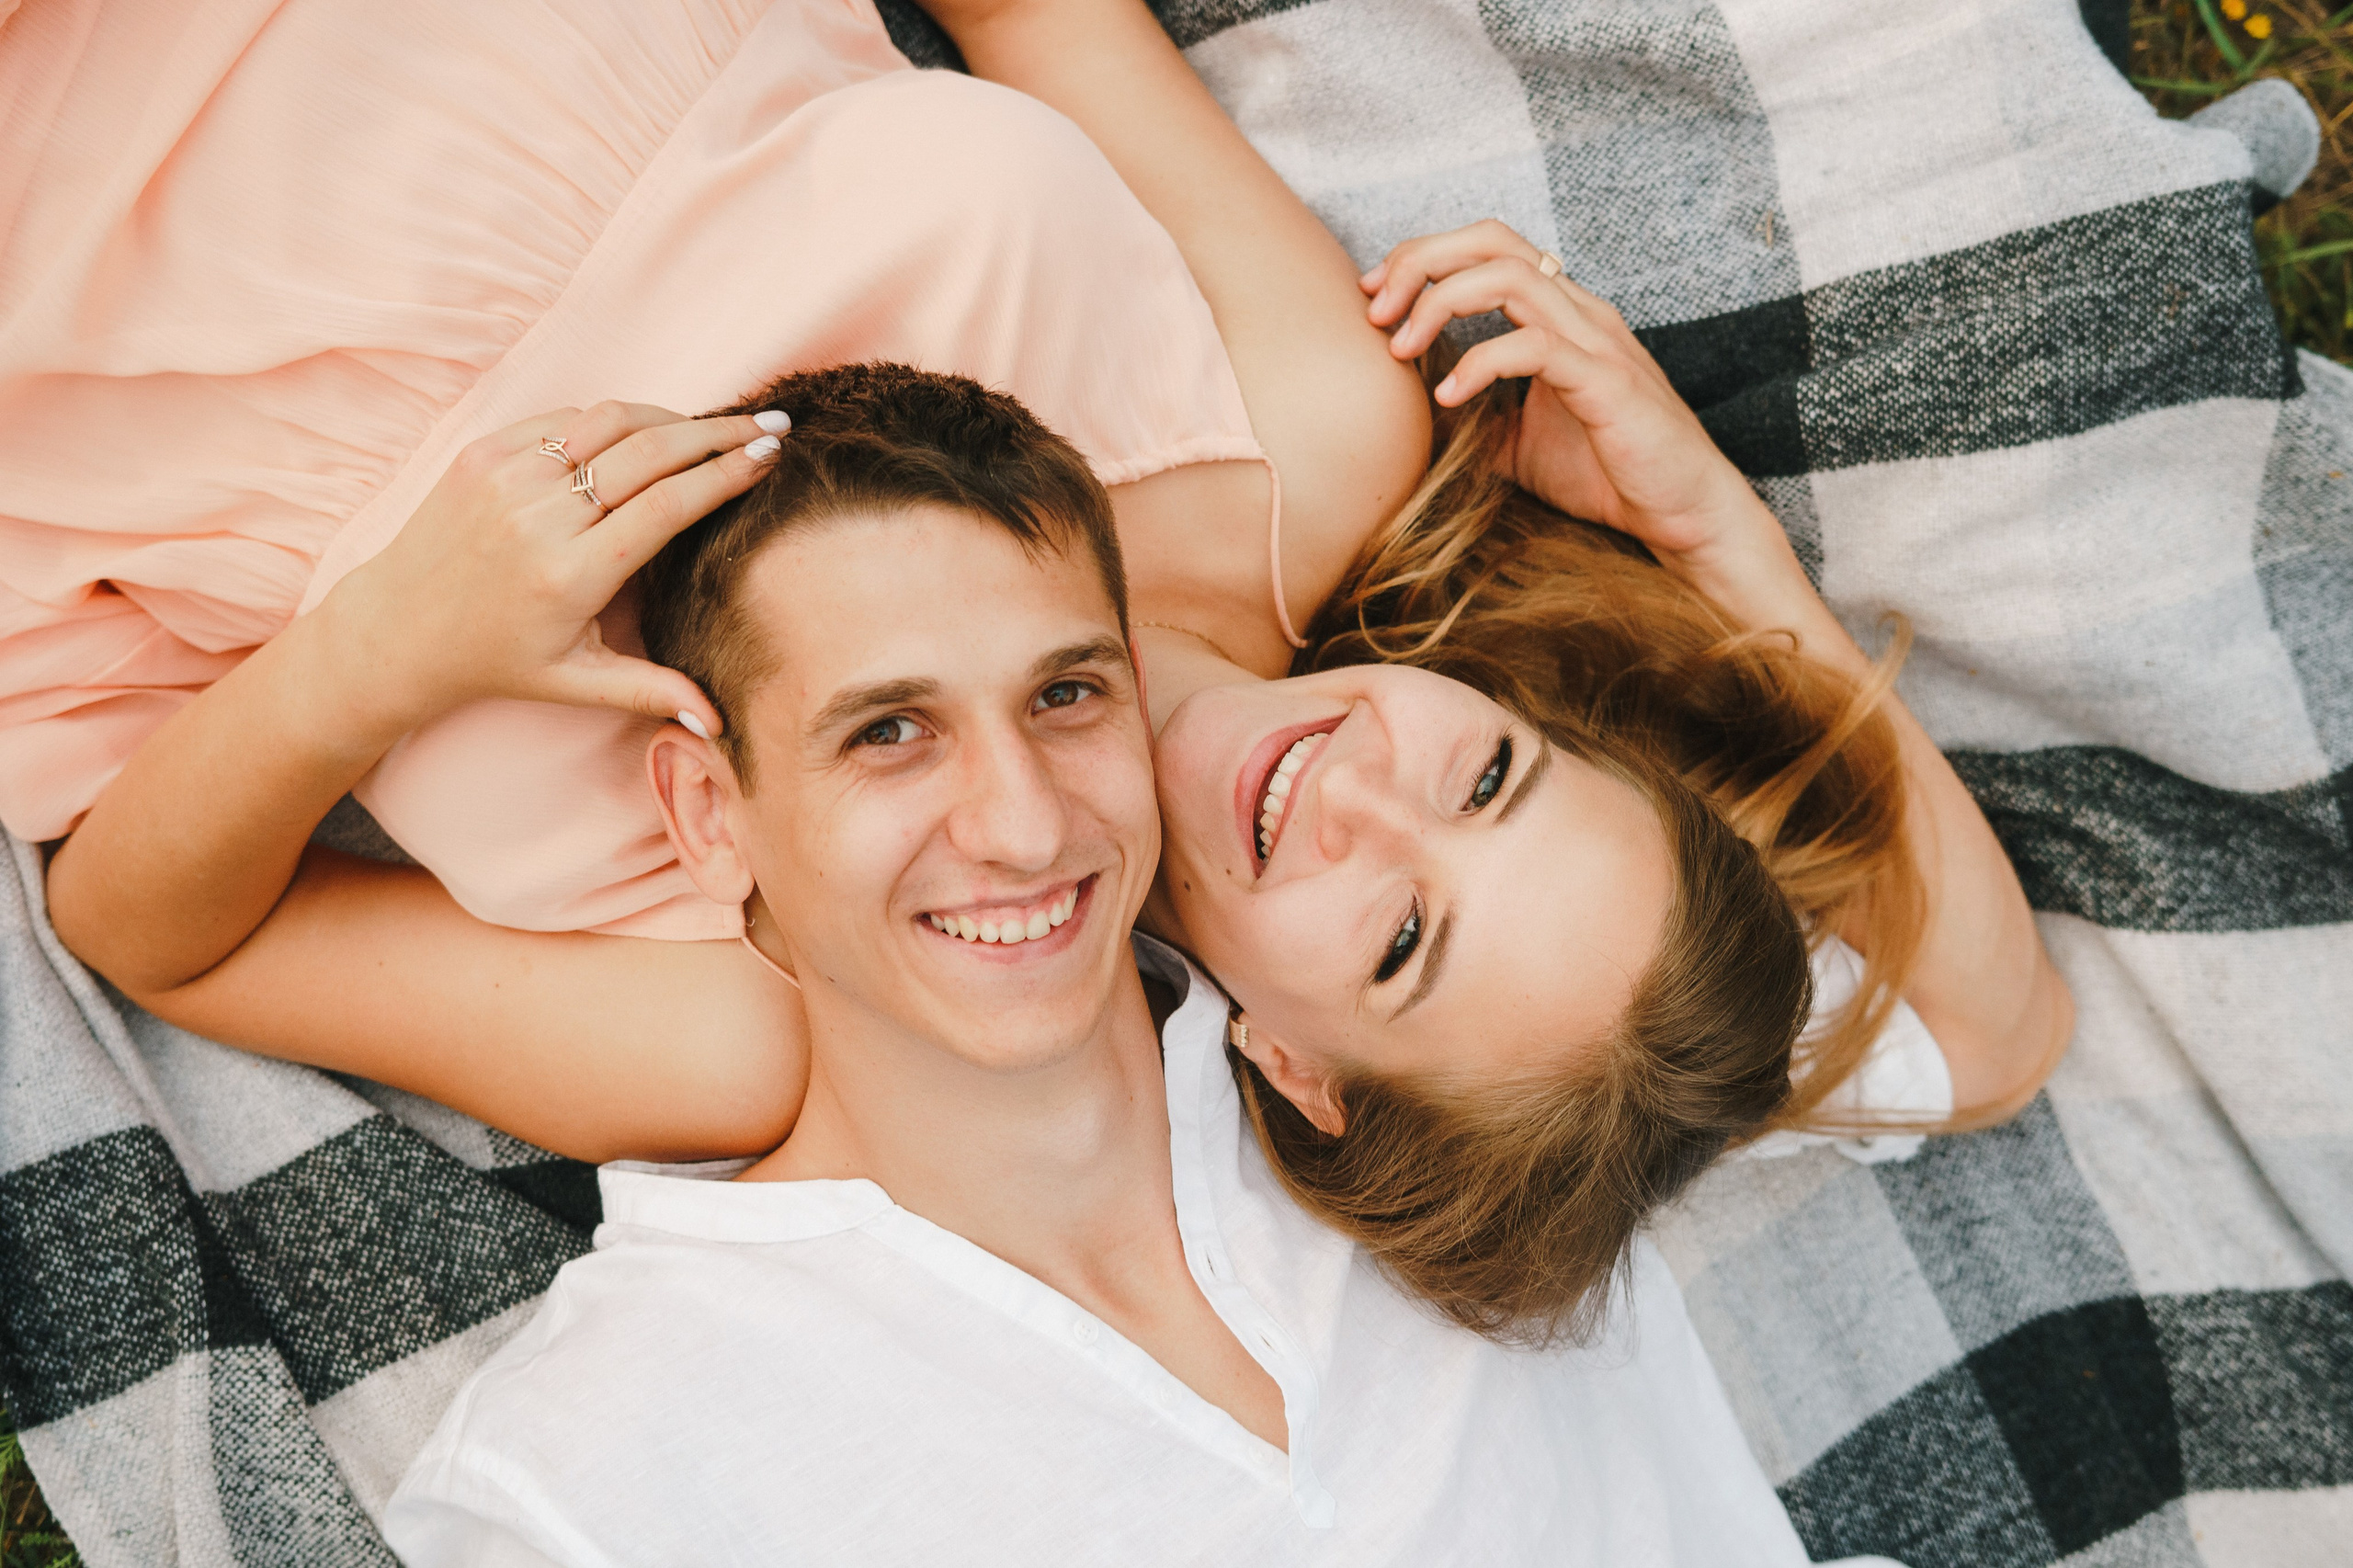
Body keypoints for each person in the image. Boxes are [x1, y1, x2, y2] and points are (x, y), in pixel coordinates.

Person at [338, 364, 1889, 1563]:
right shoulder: (585, 1479)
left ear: (1319, 1065)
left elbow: (1995, 1027)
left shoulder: (1530, 1133)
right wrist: (1710, 528)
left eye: (1405, 943)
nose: (1353, 797)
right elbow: (1988, 1016)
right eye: (1489, 772)